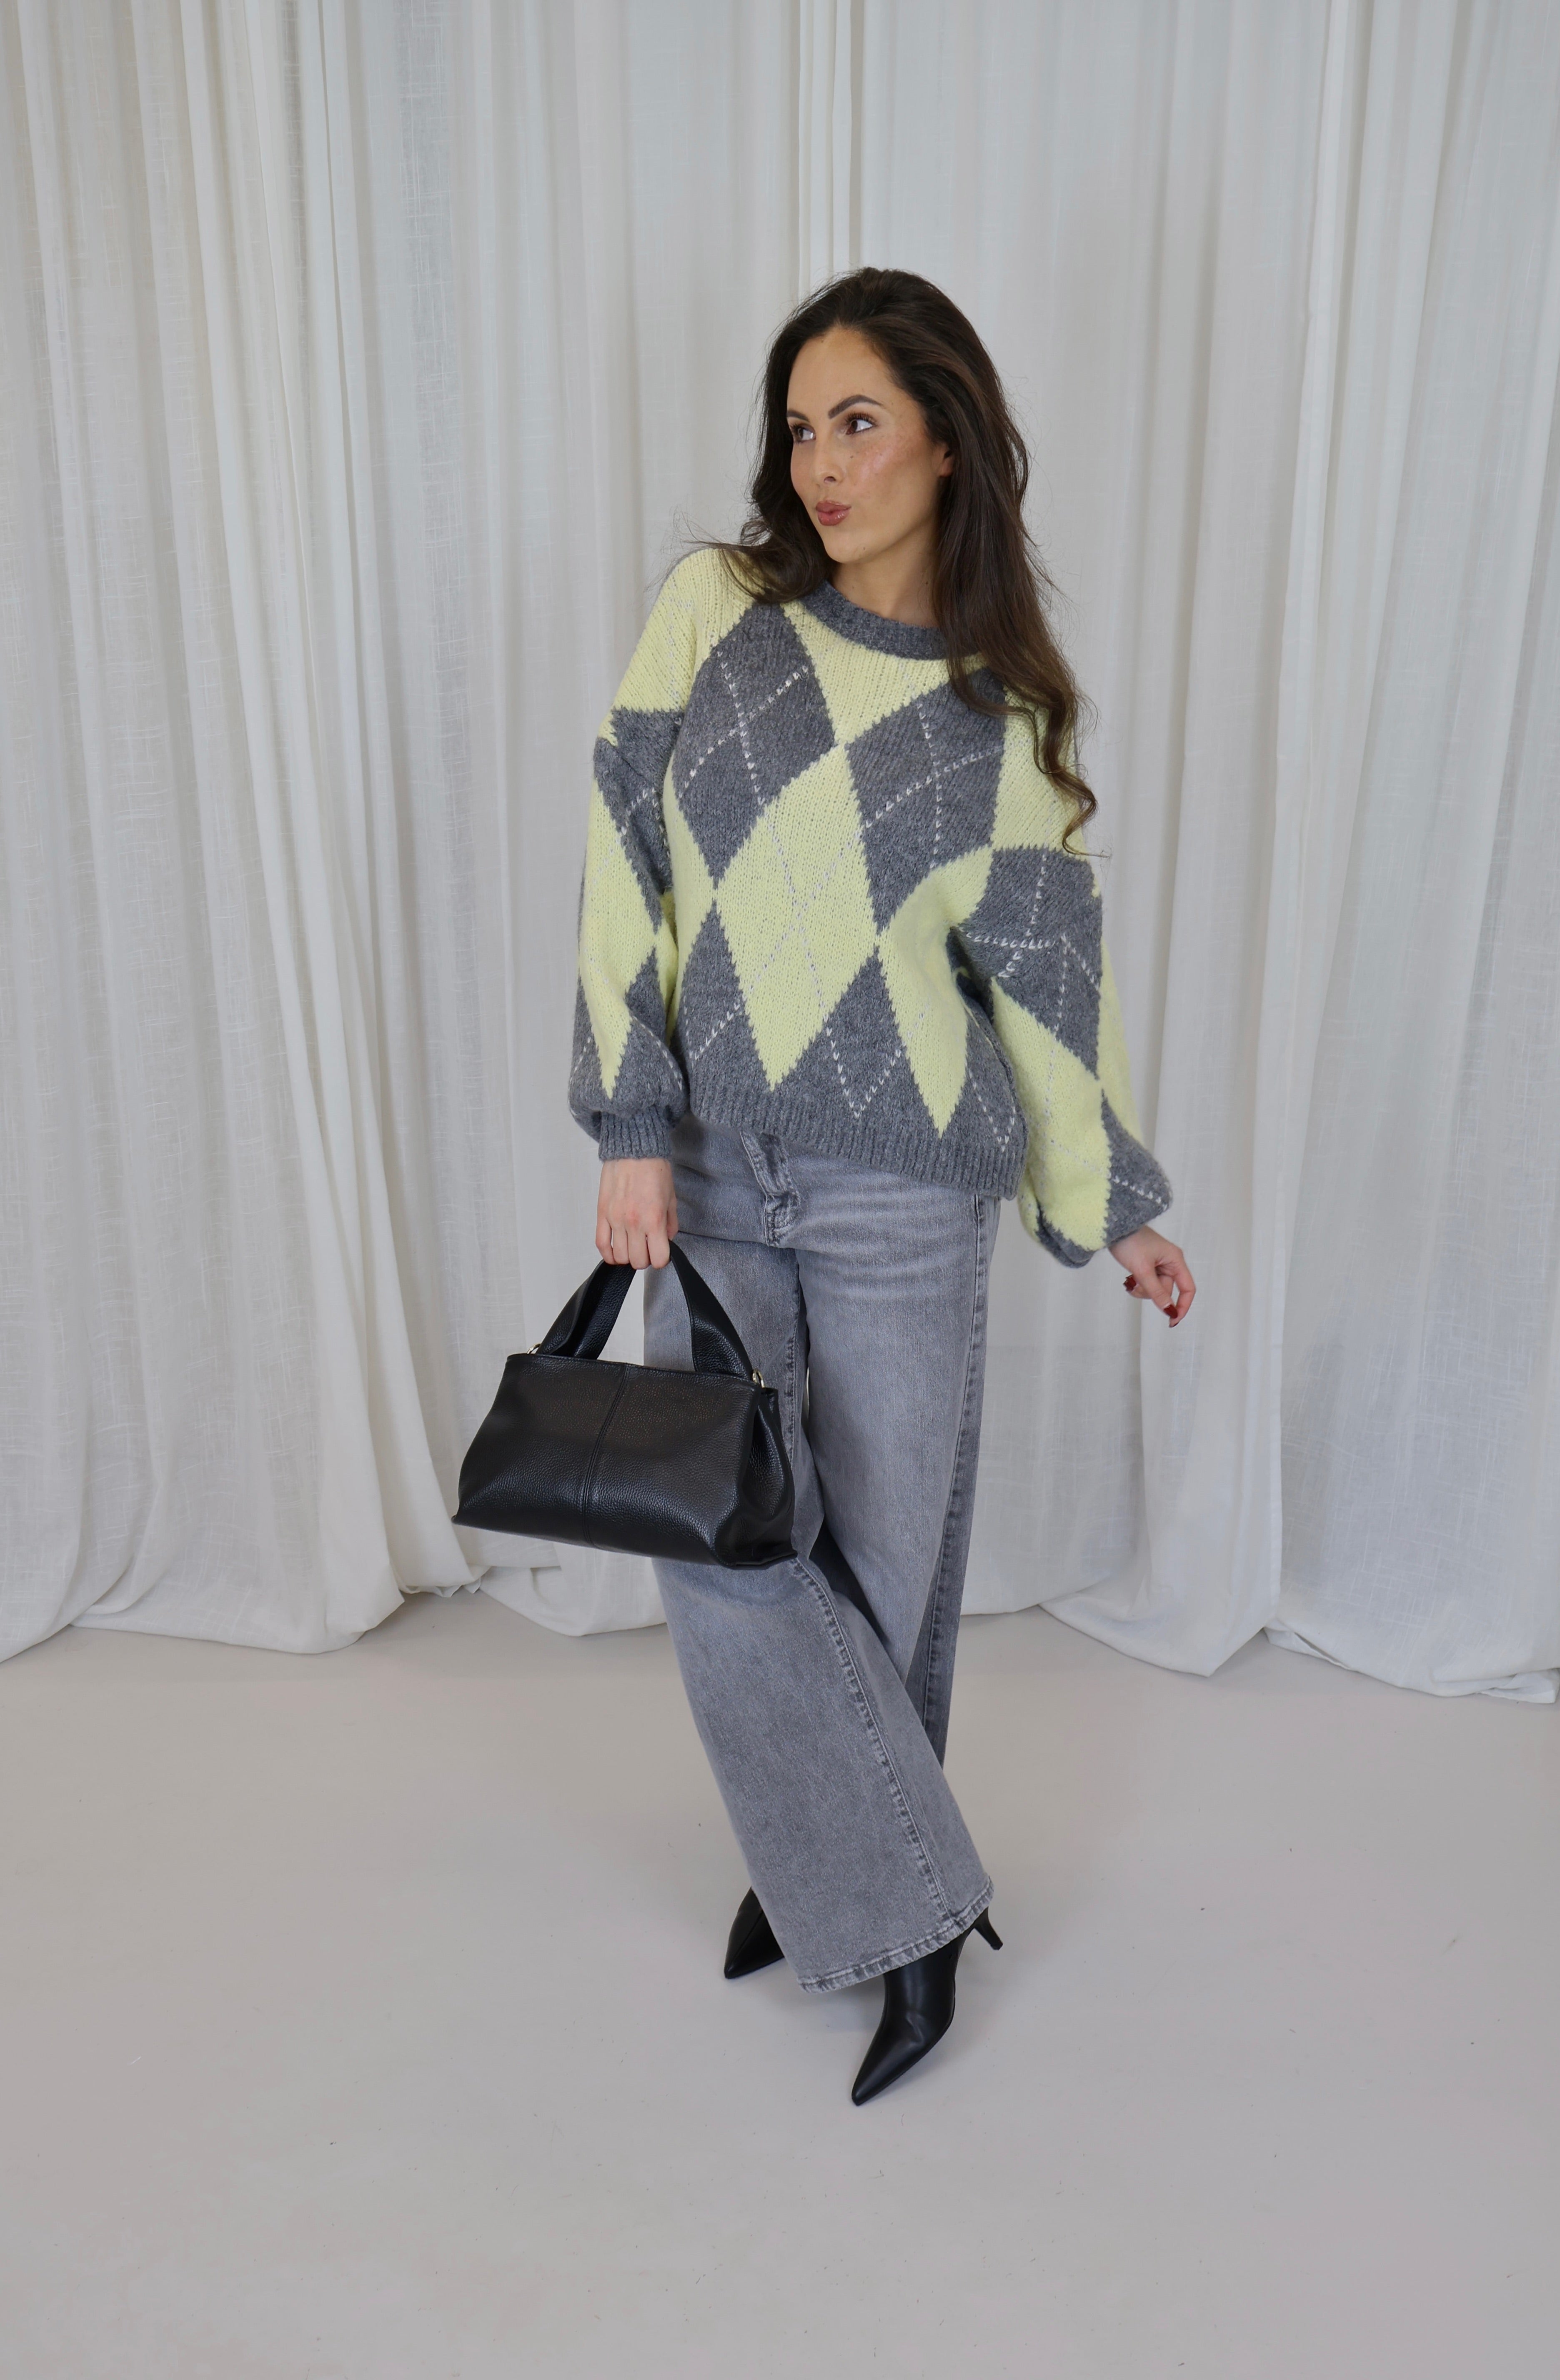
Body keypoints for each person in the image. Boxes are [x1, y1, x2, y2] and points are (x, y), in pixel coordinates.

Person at [567, 266, 1194, 2105]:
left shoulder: (1004, 720)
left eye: (859, 423)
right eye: (799, 427)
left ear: (948, 444)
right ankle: (905, 1910)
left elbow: (1048, 1002)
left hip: (906, 1190)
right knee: (728, 1547)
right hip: (708, 1167)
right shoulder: (717, 611)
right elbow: (621, 860)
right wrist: (628, 1120)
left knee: (885, 1573)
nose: (821, 464)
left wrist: (1115, 1202)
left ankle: (833, 1881)